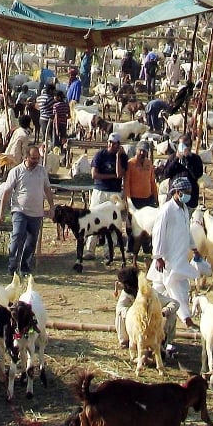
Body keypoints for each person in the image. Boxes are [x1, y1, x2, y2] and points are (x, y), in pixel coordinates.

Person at [147, 176, 201, 330]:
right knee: (175, 289)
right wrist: (158, 257)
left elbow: (187, 230)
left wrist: (194, 247)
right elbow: (158, 233)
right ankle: (187, 319)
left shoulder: (183, 209)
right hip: (168, 258)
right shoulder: (167, 210)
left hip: (179, 256)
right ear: (177, 192)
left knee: (162, 290)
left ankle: (154, 317)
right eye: (186, 192)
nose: (188, 194)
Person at [0, 146, 55, 274]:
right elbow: (7, 192)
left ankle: (24, 266)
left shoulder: (42, 171)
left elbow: (47, 189)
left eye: (37, 159)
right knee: (17, 236)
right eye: (33, 158)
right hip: (20, 210)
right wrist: (0, 213)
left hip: (36, 213)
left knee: (31, 241)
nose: (36, 161)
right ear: (26, 157)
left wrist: (52, 206)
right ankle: (12, 266)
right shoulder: (16, 172)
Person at [83, 132, 128, 260]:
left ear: (118, 145)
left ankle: (109, 251)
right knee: (93, 219)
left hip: (114, 192)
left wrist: (119, 157)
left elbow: (120, 174)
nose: (110, 145)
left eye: (114, 143)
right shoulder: (100, 155)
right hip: (100, 190)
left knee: (113, 222)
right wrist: (112, 176)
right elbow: (94, 175)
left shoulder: (123, 158)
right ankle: (89, 250)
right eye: (109, 142)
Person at [115, 266, 179, 353]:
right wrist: (136, 314)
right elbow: (120, 308)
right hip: (134, 328)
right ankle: (126, 342)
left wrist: (164, 311)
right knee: (119, 314)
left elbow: (174, 303)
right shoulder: (126, 294)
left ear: (128, 284)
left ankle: (163, 342)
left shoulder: (149, 293)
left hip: (152, 329)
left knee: (172, 314)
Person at [124, 141, 158, 254]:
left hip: (147, 199)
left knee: (147, 224)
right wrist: (128, 200)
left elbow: (152, 182)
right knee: (132, 225)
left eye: (145, 151)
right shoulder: (130, 164)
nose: (142, 153)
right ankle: (130, 248)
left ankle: (147, 247)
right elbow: (127, 183)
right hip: (134, 199)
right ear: (136, 150)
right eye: (140, 150)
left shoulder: (149, 164)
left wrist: (156, 198)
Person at [162, 134, 203, 210]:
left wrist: (188, 159)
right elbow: (165, 174)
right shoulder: (172, 157)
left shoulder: (196, 159)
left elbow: (197, 175)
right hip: (174, 198)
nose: (183, 147)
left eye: (186, 145)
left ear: (190, 147)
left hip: (190, 199)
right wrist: (176, 159)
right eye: (181, 145)